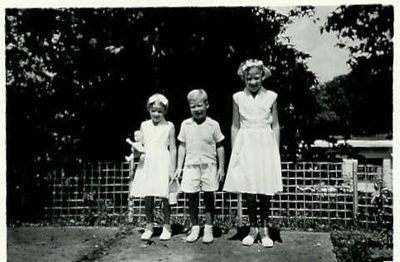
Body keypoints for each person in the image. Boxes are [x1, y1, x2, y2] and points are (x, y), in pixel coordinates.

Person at [223, 59, 282, 247]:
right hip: (246, 143)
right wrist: (235, 151)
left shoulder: (271, 96)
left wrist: (276, 150)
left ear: (263, 76)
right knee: (249, 188)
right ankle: (252, 227)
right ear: (244, 78)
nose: (253, 82)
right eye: (249, 78)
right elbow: (234, 125)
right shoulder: (238, 97)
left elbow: (276, 125)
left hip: (265, 144)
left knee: (264, 187)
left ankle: (265, 230)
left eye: (257, 78)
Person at [176, 89, 225, 244]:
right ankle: (195, 227)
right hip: (191, 166)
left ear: (207, 105)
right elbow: (182, 146)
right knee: (192, 196)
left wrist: (221, 168)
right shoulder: (185, 124)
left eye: (199, 106)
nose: (197, 109)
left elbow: (220, 146)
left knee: (209, 196)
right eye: (193, 107)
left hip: (209, 165)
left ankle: (208, 228)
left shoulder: (213, 124)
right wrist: (179, 167)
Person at [130, 93, 177, 241]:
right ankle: (149, 225)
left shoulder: (169, 126)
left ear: (165, 112)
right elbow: (140, 146)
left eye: (160, 111)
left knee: (164, 195)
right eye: (153, 110)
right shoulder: (144, 125)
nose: (156, 114)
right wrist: (136, 150)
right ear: (148, 110)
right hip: (148, 162)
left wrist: (173, 168)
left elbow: (173, 148)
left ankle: (167, 225)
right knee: (148, 194)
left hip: (163, 161)